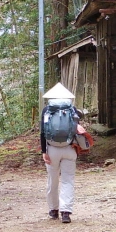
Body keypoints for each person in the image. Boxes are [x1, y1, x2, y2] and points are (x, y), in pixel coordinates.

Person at [40, 83, 81, 224]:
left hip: (52, 149)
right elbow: (77, 130)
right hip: (69, 149)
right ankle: (66, 213)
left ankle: (53, 210)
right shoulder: (72, 110)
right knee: (68, 180)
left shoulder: (47, 110)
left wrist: (44, 151)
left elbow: (42, 133)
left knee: (53, 180)